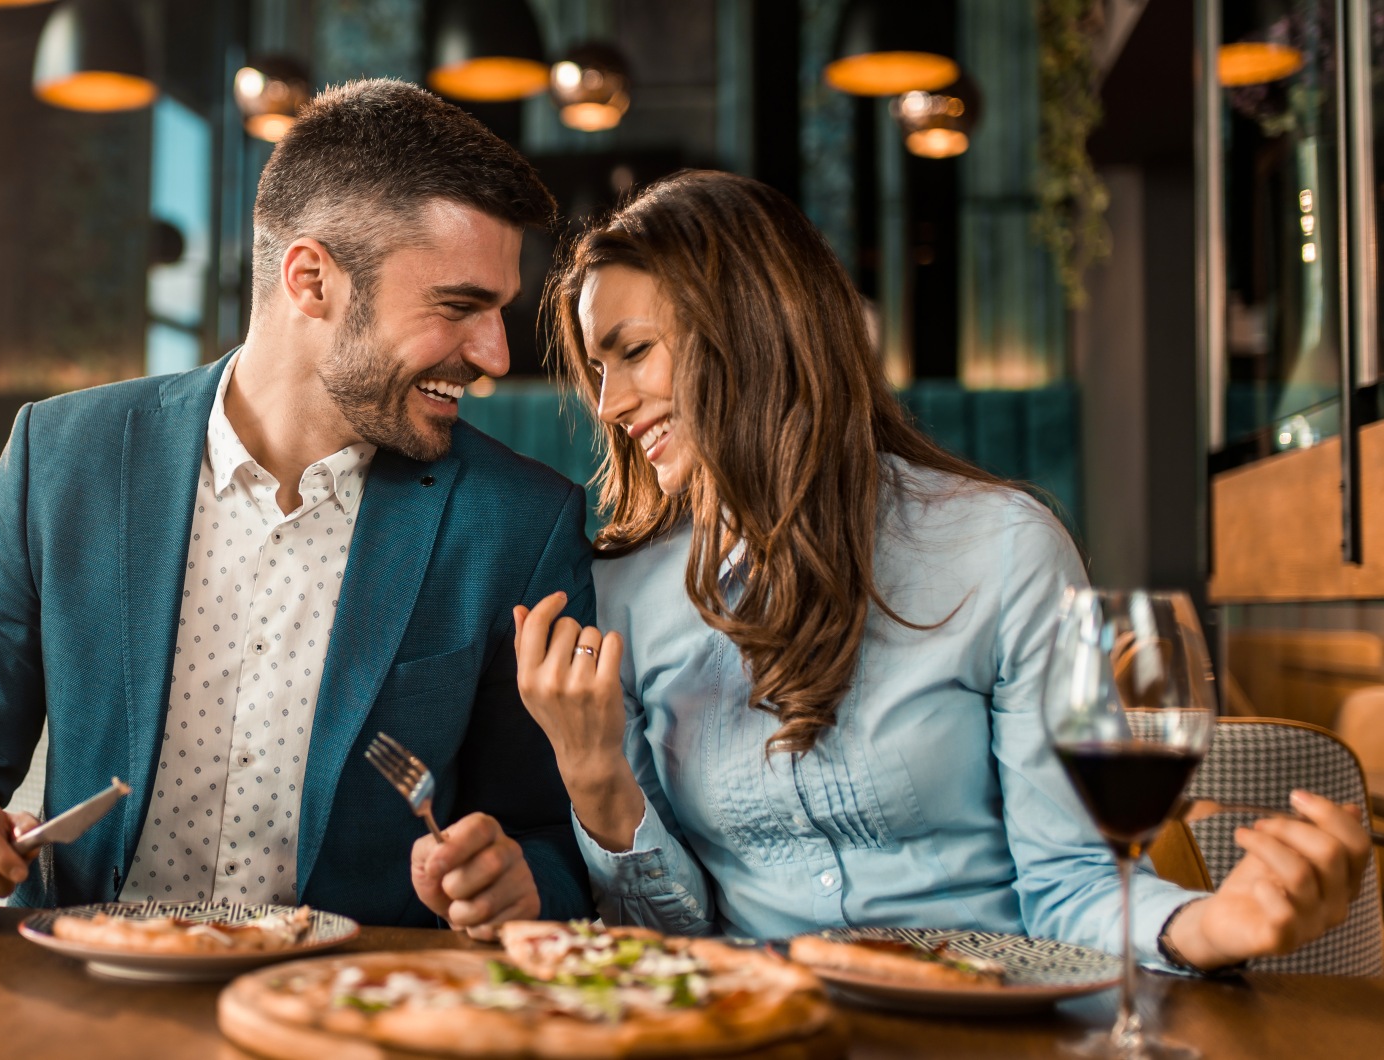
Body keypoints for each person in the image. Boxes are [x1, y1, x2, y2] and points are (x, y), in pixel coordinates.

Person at [514, 170, 1372, 972]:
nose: (609, 405)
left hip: (988, 1018)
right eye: (596, 367)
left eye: (632, 352)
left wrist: (1213, 923)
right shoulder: (624, 594)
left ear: (750, 331)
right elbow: (672, 942)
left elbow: (1068, 881)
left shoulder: (1002, 547)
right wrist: (598, 784)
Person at [0, 79, 595, 937]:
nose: (494, 354)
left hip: (344, 1011)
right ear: (311, 279)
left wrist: (519, 882)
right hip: (79, 992)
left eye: (499, 311)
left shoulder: (522, 523)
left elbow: (555, 839)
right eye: (458, 306)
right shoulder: (60, 457)